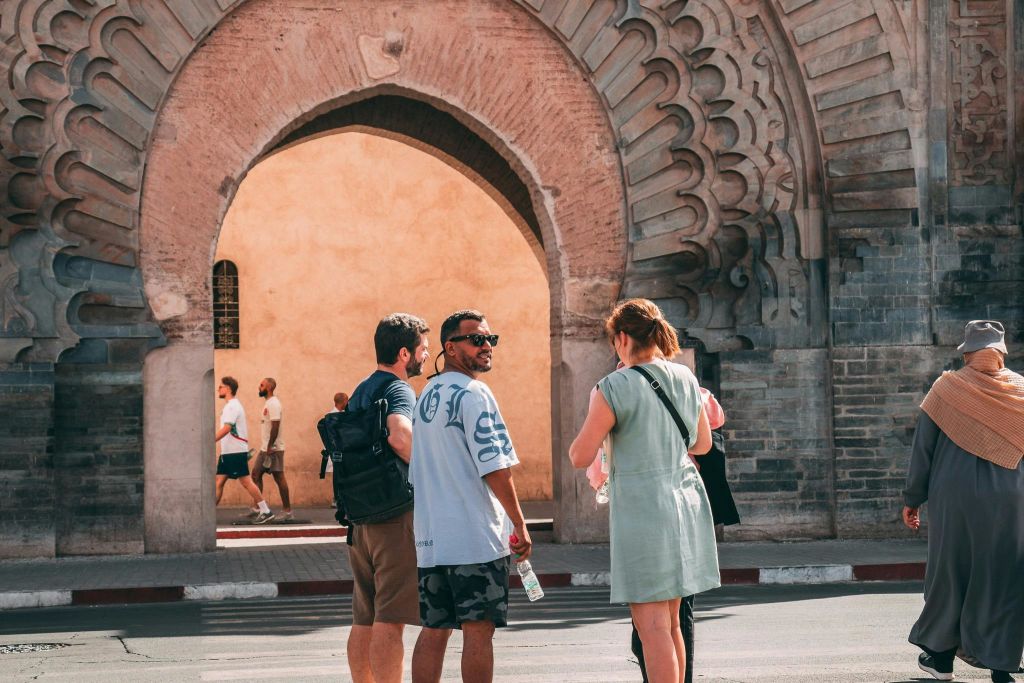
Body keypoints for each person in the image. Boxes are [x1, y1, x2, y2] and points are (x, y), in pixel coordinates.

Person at [569, 298, 719, 683]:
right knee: (671, 622)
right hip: (685, 501)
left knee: (651, 626)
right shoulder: (685, 376)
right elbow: (702, 445)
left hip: (643, 508)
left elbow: (579, 455)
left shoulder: (613, 386)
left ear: (621, 339)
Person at [410, 310, 532, 683]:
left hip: (432, 540)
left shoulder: (426, 393)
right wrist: (519, 522)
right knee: (479, 632)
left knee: (435, 629)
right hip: (474, 539)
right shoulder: (474, 393)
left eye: (490, 340)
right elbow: (495, 466)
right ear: (450, 346)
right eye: (476, 339)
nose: (486, 347)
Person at [903, 320, 1024, 683]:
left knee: (950, 574)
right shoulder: (1021, 391)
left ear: (967, 353)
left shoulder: (946, 388)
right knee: (1004, 576)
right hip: (1012, 500)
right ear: (1001, 353)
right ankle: (1001, 665)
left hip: (952, 499)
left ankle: (940, 661)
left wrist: (913, 499)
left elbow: (922, 450)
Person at [345, 313, 431, 683]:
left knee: (363, 617)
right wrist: (432, 475)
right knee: (390, 618)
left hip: (359, 516)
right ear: (403, 353)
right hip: (393, 515)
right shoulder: (398, 390)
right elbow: (400, 436)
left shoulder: (361, 390)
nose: (425, 357)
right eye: (422, 350)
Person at [215, 376, 274, 524]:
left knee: (246, 482)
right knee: (219, 482)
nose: (218, 389)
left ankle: (265, 510)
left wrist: (210, 440)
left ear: (228, 389)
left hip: (234, 452)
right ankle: (208, 515)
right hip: (228, 452)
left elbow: (227, 428)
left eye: (221, 386)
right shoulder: (230, 405)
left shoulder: (232, 406)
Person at [250, 377, 291, 521]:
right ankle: (258, 508)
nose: (259, 387)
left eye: (261, 385)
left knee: (279, 478)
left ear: (269, 388)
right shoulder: (268, 403)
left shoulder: (274, 404)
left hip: (273, 448)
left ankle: (287, 511)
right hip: (265, 447)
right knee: (255, 474)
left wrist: (269, 446)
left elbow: (275, 426)